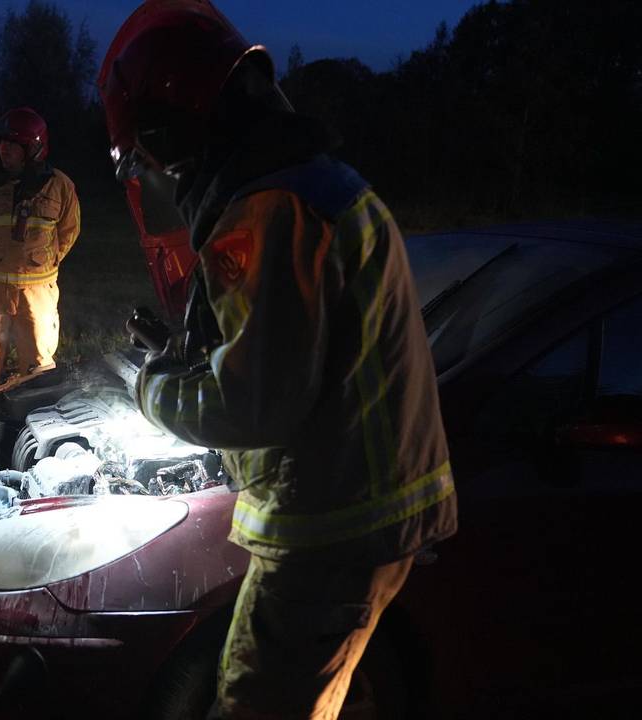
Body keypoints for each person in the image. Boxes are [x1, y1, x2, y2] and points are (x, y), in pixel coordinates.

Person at [99, 2, 458, 718]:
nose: (160, 175)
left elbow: (251, 404)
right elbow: (295, 347)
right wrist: (192, 352)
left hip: (330, 528)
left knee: (258, 704)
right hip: (360, 513)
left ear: (172, 131)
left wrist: (153, 389)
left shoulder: (267, 211)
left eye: (149, 154)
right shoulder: (316, 185)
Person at [0, 108, 80, 394]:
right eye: (2, 143)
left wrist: (44, 263)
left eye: (14, 144)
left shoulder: (60, 185)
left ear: (35, 148)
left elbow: (69, 230)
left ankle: (35, 413)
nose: (5, 149)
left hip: (38, 290)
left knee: (38, 357)